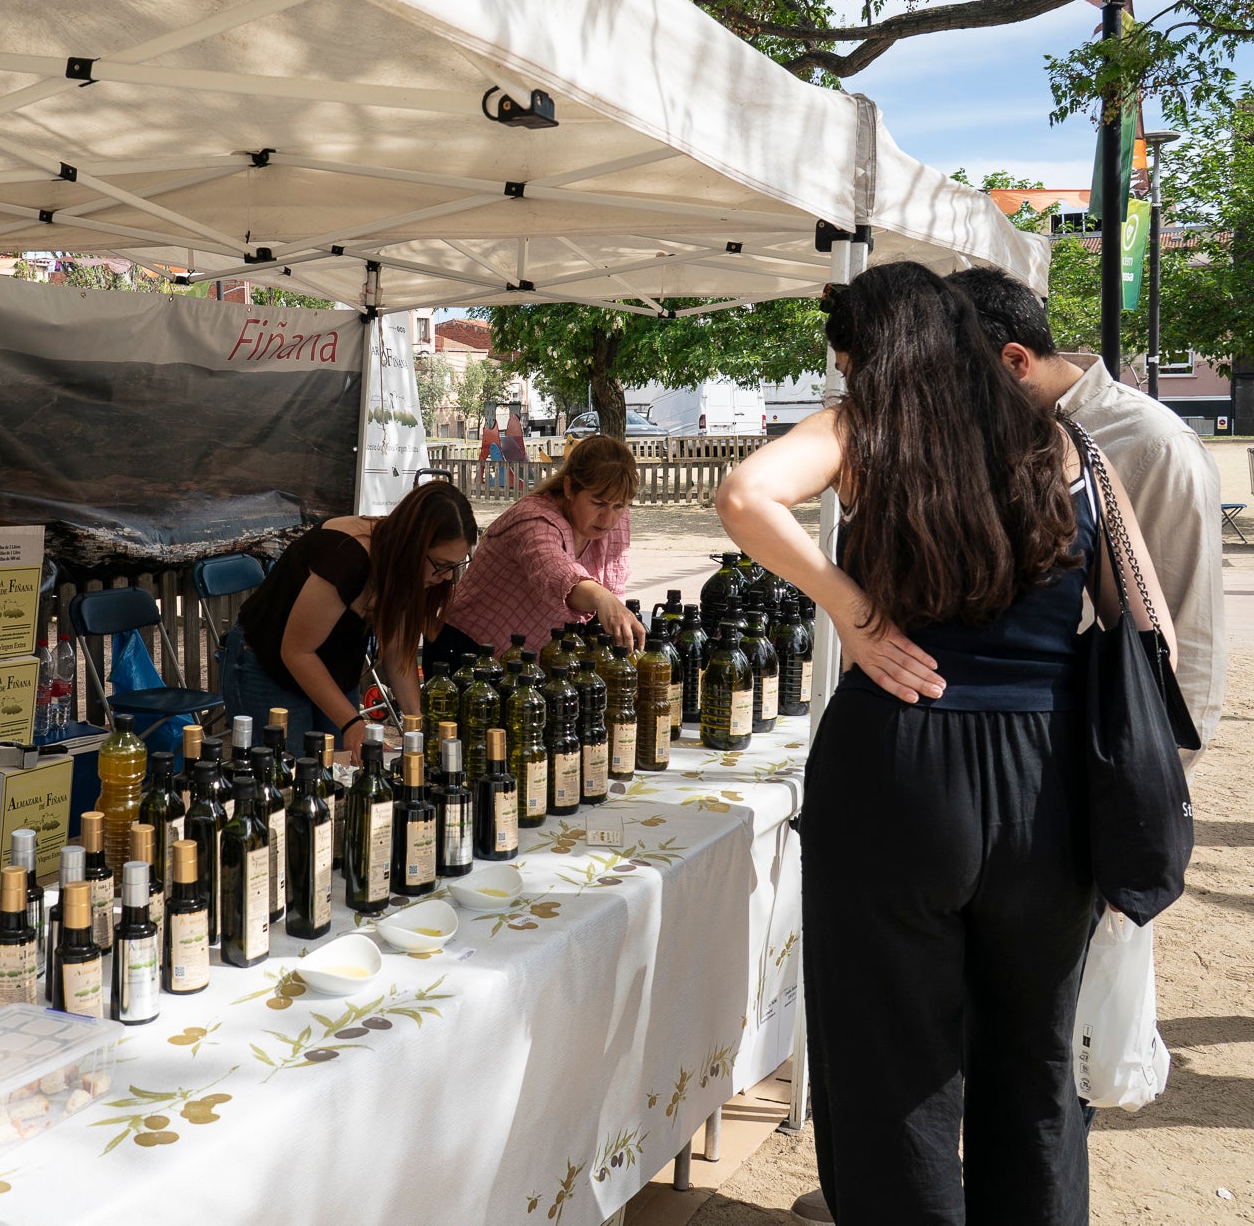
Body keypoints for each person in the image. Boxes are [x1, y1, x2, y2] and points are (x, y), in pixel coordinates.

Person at [714, 262, 1171, 1226]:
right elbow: (1150, 625)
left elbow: (748, 494)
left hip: (898, 764)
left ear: (873, 358)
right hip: (1046, 780)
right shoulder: (1069, 446)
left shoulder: (865, 431)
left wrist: (857, 614)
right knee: (1034, 1062)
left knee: (890, 1065)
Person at [948, 264, 1223, 762]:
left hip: (1103, 751)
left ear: (1014, 362)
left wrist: (1155, 774)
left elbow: (1188, 629)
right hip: (1013, 745)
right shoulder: (988, 431)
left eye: (955, 377)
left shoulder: (1152, 443)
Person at [221, 480, 478, 757]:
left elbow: (396, 652)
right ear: (413, 545)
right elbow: (297, 651)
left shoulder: (410, 569)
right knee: (290, 772)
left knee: (340, 772)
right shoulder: (348, 557)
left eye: (456, 566)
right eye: (443, 565)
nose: (448, 576)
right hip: (267, 663)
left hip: (331, 669)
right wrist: (353, 723)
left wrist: (418, 724)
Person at [425, 434, 647, 665]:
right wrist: (603, 598)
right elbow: (554, 572)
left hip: (528, 661)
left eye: (619, 505)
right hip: (465, 648)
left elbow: (613, 583)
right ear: (569, 488)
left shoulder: (617, 523)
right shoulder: (533, 520)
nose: (608, 517)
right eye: (598, 503)